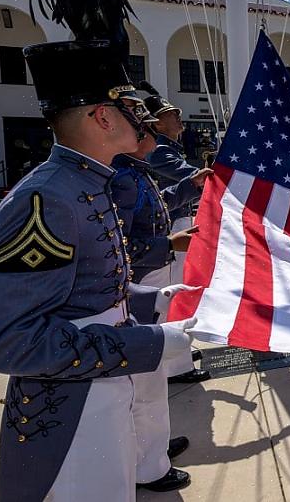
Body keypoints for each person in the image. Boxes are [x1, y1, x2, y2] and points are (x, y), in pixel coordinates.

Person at [0, 0, 196, 499]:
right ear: (102, 117)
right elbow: (9, 341)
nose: (143, 122)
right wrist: (151, 343)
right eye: (131, 109)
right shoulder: (44, 203)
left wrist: (161, 302)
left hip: (102, 400)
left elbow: (94, 297)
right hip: (64, 418)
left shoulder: (88, 183)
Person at [110, 117, 212, 492]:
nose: (153, 135)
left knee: (149, 381)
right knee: (142, 384)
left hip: (147, 285)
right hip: (136, 286)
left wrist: (189, 185)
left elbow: (157, 206)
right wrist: (168, 245)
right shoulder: (121, 178)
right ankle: (147, 464)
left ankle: (151, 447)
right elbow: (117, 249)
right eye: (146, 129)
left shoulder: (134, 172)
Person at [141, 81, 210, 384]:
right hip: (170, 227)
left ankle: (178, 351)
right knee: (173, 295)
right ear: (156, 123)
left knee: (177, 292)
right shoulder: (159, 152)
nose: (179, 117)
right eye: (173, 113)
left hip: (174, 223)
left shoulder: (167, 149)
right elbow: (188, 178)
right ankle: (176, 364)